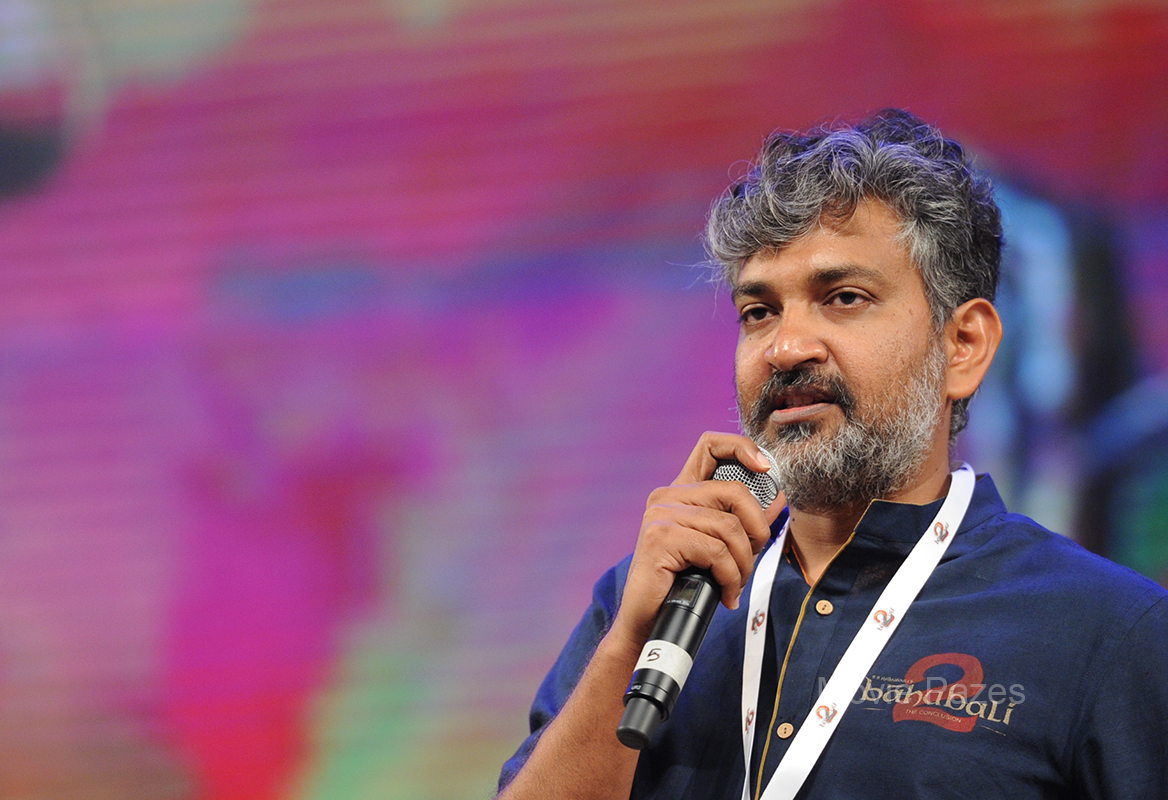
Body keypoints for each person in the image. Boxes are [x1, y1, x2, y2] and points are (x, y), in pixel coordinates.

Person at [496, 110, 1168, 799]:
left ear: (962, 346)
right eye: (759, 312)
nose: (786, 348)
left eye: (843, 298)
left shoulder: (1109, 633)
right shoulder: (651, 601)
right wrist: (626, 647)